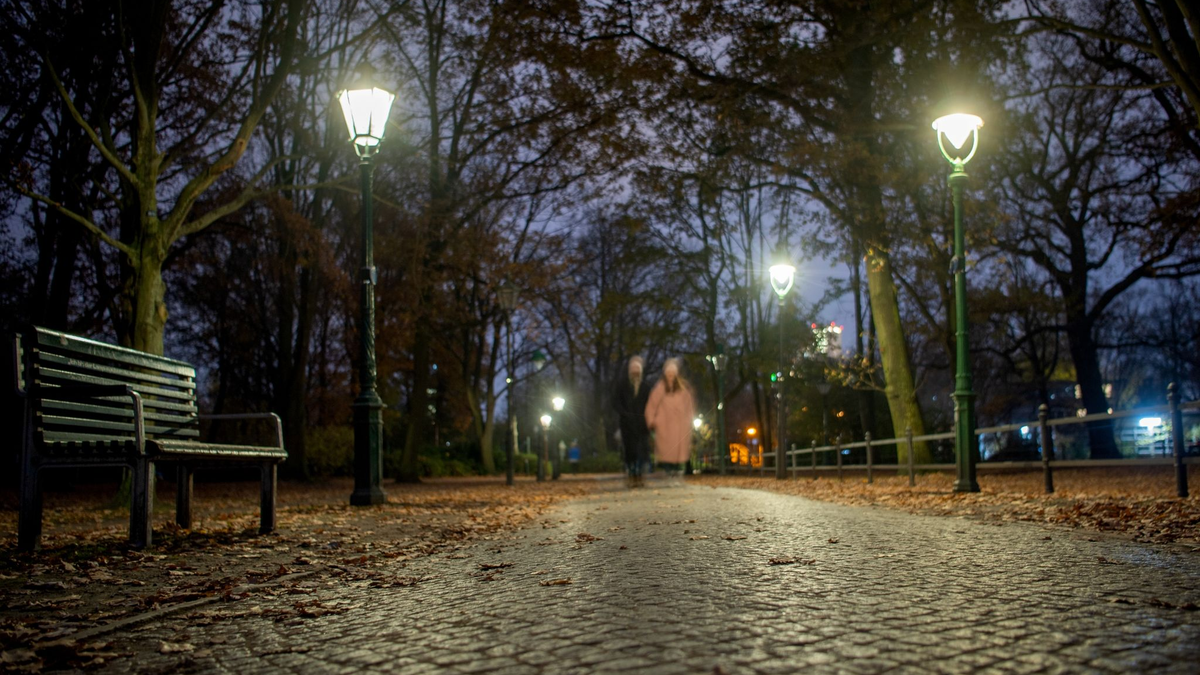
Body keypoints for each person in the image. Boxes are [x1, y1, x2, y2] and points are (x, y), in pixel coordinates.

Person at [645, 358, 695, 484]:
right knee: (666, 451)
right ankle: (668, 473)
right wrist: (652, 420)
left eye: (673, 373)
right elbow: (651, 405)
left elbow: (689, 406)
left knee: (678, 451)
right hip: (664, 425)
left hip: (679, 425)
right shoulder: (659, 388)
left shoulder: (683, 389)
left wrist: (688, 420)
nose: (671, 376)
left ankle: (676, 473)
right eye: (668, 373)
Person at [613, 356, 652, 487]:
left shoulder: (646, 387)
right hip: (627, 425)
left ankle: (639, 475)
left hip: (642, 425)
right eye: (633, 369)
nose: (635, 372)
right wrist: (625, 414)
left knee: (641, 450)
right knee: (630, 451)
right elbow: (616, 402)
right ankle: (631, 474)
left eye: (638, 369)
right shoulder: (622, 385)